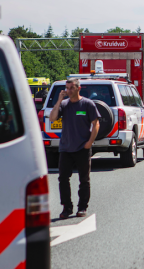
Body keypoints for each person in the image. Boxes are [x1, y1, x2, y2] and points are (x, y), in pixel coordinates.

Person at [49, 78, 100, 219]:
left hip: (82, 148)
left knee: (84, 179)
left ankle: (82, 207)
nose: (68, 90)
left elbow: (96, 124)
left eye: (71, 88)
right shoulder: (64, 105)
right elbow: (52, 118)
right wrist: (59, 100)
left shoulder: (87, 104)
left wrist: (90, 142)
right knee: (63, 178)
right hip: (65, 147)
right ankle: (67, 207)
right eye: (67, 88)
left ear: (78, 88)